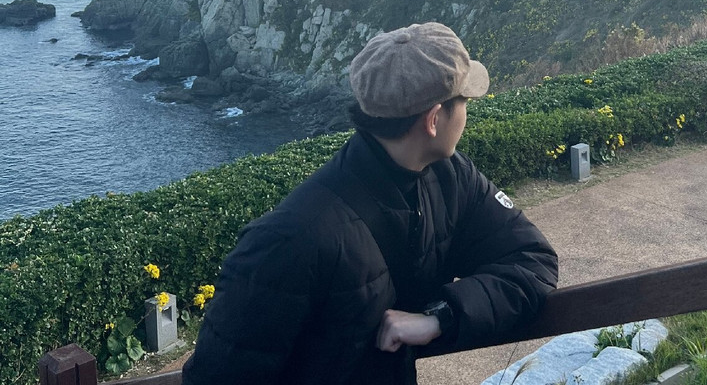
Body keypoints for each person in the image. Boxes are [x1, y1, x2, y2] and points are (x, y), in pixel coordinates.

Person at [183, 22, 558, 385]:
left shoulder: (451, 177)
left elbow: (534, 261)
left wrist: (441, 315)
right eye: (463, 101)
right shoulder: (292, 238)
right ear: (432, 120)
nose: (466, 112)